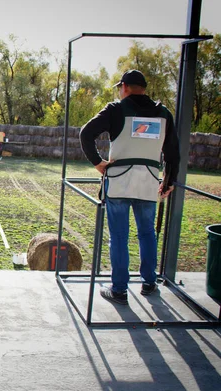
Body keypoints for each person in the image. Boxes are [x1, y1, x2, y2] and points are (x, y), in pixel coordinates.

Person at [80, 70, 180, 305]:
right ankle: (148, 282)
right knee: (147, 234)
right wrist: (168, 181)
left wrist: (98, 163)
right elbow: (173, 153)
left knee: (119, 237)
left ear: (124, 87)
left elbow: (86, 133)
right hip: (148, 182)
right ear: (143, 88)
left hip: (120, 183)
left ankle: (119, 289)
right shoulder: (164, 114)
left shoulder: (116, 109)